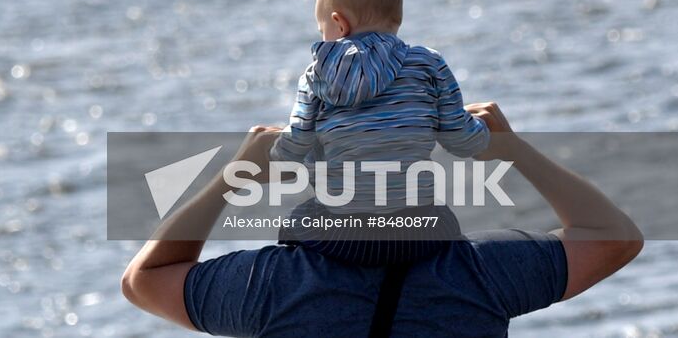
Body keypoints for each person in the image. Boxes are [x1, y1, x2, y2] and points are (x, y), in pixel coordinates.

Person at [121, 103, 643, 337]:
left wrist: (233, 176)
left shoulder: (272, 286)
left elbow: (144, 280)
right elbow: (614, 238)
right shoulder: (483, 275)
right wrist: (512, 150)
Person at [270, 0, 488, 266]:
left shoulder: (314, 75)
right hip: (418, 233)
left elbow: (296, 145)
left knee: (296, 221)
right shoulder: (429, 63)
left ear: (338, 24)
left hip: (345, 237)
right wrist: (483, 129)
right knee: (443, 214)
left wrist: (275, 153)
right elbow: (463, 141)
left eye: (322, 30)